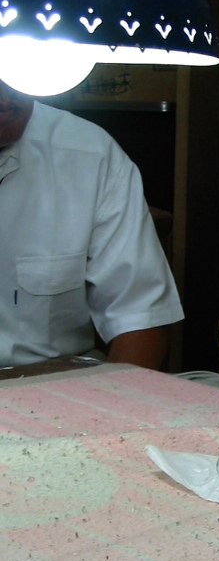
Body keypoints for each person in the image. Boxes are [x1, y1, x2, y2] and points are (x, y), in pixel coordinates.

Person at [0, 80, 183, 369]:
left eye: (11, 76)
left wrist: (106, 410)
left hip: (53, 387)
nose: (7, 97)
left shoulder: (89, 153)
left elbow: (140, 318)